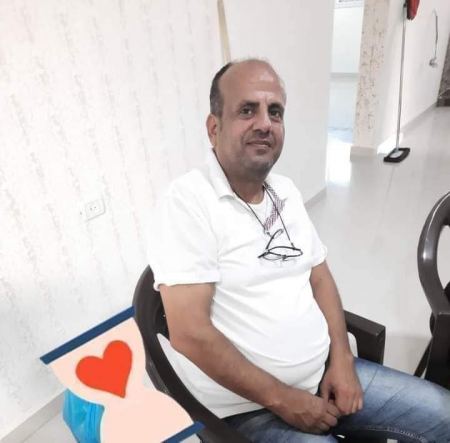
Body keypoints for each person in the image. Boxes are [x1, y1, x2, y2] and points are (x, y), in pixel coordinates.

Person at [147, 59, 450, 442]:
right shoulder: (188, 202)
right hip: (249, 409)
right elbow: (190, 333)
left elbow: (319, 277)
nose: (265, 123)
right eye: (247, 110)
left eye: (275, 112)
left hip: (325, 372)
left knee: (444, 414)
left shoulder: (285, 191)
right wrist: (285, 399)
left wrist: (342, 359)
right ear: (214, 127)